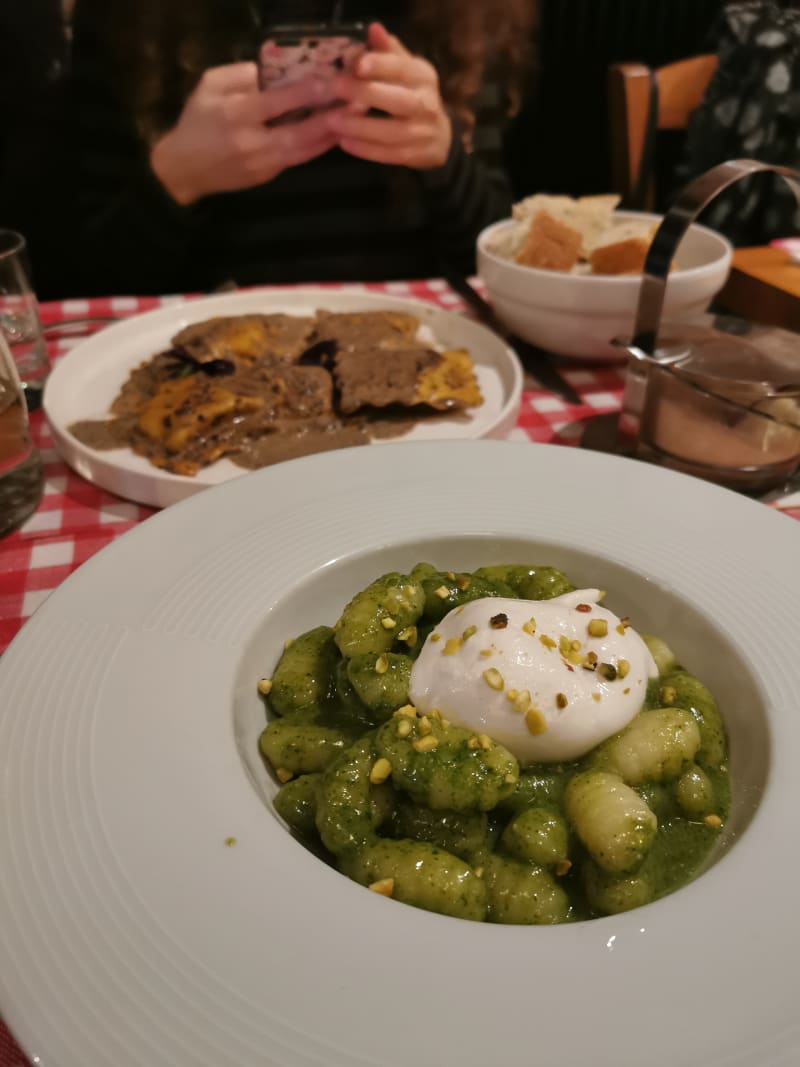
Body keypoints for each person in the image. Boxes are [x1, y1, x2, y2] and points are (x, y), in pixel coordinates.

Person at [64, 0, 535, 296]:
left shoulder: (464, 13)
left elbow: (502, 259)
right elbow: (90, 286)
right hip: (206, 364)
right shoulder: (127, 16)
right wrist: (176, 180)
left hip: (413, 354)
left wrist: (445, 158)